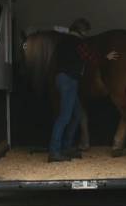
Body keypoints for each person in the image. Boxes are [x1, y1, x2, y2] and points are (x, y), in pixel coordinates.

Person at [48, 18, 119, 162]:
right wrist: (106, 57)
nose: (86, 34)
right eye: (86, 31)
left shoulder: (62, 41)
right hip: (69, 80)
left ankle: (66, 148)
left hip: (63, 79)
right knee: (65, 117)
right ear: (81, 31)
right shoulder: (78, 43)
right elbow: (90, 57)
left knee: (77, 115)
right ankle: (54, 151)